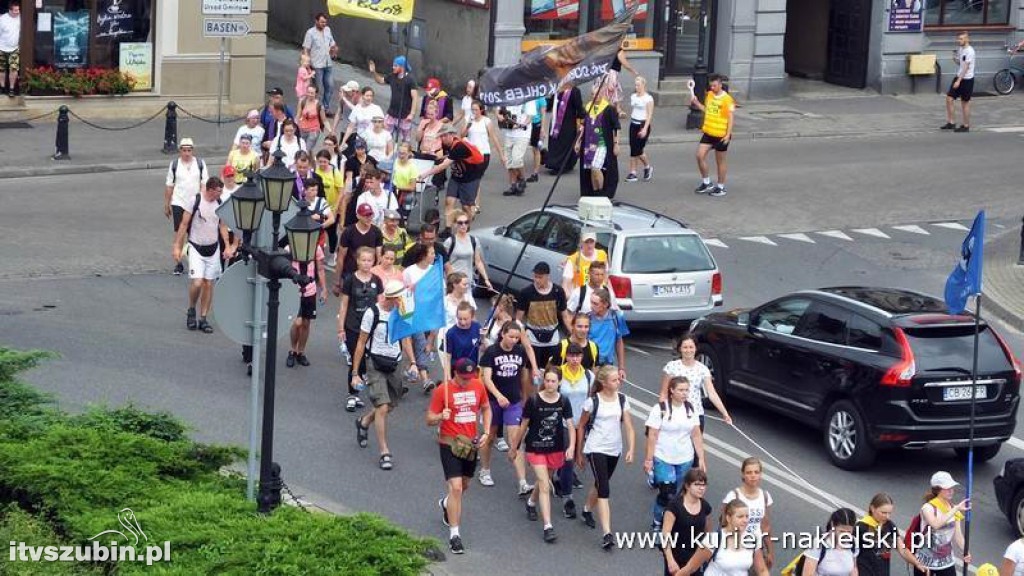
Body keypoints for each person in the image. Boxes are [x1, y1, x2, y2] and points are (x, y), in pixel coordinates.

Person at [427, 357, 492, 555]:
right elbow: (429, 418)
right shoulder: (442, 391)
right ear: (455, 373)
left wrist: (487, 432)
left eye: (469, 377)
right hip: (449, 443)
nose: (466, 381)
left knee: (464, 486)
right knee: (455, 487)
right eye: (463, 378)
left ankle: (447, 504)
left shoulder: (478, 386)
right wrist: (440, 417)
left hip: (470, 444)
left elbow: (486, 408)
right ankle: (455, 535)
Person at [352, 280, 418, 471]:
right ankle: (384, 451)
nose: (402, 299)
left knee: (390, 405)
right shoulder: (372, 313)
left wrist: (413, 363)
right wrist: (355, 373)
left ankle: (364, 421)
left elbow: (405, 339)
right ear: (392, 297)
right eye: (399, 297)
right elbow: (361, 342)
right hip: (375, 363)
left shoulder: (402, 312)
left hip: (394, 364)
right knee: (382, 407)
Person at [508, 366, 576, 543]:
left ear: (559, 382)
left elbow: (570, 425)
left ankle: (531, 502)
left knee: (544, 480)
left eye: (553, 381)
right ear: (543, 381)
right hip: (535, 447)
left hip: (555, 448)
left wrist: (572, 446)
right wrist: (514, 447)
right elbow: (523, 425)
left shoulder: (564, 401)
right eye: (547, 380)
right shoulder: (534, 400)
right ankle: (548, 526)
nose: (550, 384)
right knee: (545, 484)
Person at [575, 365, 635, 549]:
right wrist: (579, 451)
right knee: (604, 489)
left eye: (618, 378)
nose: (619, 382)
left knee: (600, 483)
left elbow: (630, 427)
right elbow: (581, 426)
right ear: (603, 382)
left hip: (614, 449)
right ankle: (607, 533)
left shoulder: (622, 400)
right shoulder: (593, 402)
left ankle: (586, 509)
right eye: (615, 379)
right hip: (596, 448)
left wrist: (631, 448)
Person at [171, 177, 236, 333]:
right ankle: (192, 308)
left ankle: (203, 318)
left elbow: (222, 226)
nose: (220, 194)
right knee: (198, 282)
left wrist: (227, 245)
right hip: (195, 246)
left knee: (208, 283)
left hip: (212, 248)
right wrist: (177, 247)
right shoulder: (196, 200)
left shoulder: (219, 203)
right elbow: (184, 224)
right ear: (211, 189)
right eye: (219, 191)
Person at [478, 320, 535, 496]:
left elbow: (524, 375)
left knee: (515, 439)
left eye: (517, 338)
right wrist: (498, 395)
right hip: (493, 402)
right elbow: (486, 378)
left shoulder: (520, 351)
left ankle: (522, 482)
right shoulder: (491, 352)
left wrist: (525, 397)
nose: (514, 340)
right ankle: (485, 470)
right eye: (511, 336)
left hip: (513, 401)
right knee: (490, 436)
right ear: (502, 334)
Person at [646, 376, 705, 530]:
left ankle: (671, 521)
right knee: (667, 493)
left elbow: (696, 435)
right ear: (671, 390)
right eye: (681, 390)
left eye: (687, 390)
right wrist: (648, 459)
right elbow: (652, 435)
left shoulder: (691, 409)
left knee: (679, 494)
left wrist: (701, 460)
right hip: (663, 456)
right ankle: (658, 521)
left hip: (685, 458)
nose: (684, 393)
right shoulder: (660, 409)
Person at [338, 247, 384, 412]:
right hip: (353, 326)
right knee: (355, 358)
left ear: (373, 261)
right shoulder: (350, 280)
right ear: (357, 261)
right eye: (363, 260)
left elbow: (380, 304)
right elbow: (344, 305)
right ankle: (352, 394)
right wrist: (340, 328)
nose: (366, 263)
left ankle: (358, 387)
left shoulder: (377, 280)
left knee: (366, 359)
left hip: (371, 327)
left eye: (369, 260)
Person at [676, 498, 770, 576]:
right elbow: (690, 568)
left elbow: (762, 570)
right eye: (740, 517)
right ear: (729, 518)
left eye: (747, 516)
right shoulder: (713, 540)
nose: (745, 520)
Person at [417, 125, 487, 228]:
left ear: (452, 135)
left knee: (466, 207)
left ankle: (466, 227)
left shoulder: (459, 147)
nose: (443, 138)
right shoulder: (446, 145)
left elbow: (444, 165)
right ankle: (448, 228)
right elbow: (446, 156)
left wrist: (425, 174)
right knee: (449, 201)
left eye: (445, 136)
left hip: (470, 178)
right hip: (456, 177)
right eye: (441, 136)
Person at [659, 333, 731, 430]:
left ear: (696, 348)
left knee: (696, 444)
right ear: (680, 349)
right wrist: (663, 411)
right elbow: (663, 393)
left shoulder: (703, 369)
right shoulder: (671, 367)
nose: (688, 350)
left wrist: (724, 413)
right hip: (675, 414)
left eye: (691, 347)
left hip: (696, 416)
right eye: (685, 347)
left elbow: (712, 394)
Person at [555, 342, 592, 515]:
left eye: (578, 356)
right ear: (566, 356)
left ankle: (559, 478)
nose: (574, 359)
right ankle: (567, 499)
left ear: (582, 357)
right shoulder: (558, 373)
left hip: (581, 423)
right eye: (571, 355)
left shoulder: (589, 376)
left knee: (571, 458)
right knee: (569, 460)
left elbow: (591, 400)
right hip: (562, 423)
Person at [164, 138, 209, 275]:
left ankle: (194, 260)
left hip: (194, 203)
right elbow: (169, 185)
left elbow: (204, 183)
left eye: (189, 150)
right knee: (179, 232)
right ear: (180, 151)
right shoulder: (175, 164)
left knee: (193, 232)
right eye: (184, 150)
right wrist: (167, 203)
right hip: (179, 202)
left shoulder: (200, 164)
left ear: (192, 151)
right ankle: (178, 262)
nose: (187, 153)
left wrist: (202, 202)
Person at [912, 471, 971, 576]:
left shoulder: (952, 508)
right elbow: (935, 524)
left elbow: (958, 536)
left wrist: (965, 550)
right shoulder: (928, 507)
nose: (951, 491)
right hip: (925, 564)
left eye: (952, 487)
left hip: (946, 563)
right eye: (947, 488)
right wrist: (956, 508)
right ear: (938, 489)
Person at [855, 493, 928, 576]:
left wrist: (917, 563)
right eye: (883, 513)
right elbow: (850, 553)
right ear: (872, 508)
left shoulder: (889, 525)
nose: (887, 517)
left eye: (889, 513)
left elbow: (903, 550)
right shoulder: (861, 527)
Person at [722, 457, 774, 571]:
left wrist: (770, 551)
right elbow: (723, 523)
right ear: (743, 475)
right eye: (749, 472)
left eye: (756, 472)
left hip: (756, 550)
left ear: (760, 475)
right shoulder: (733, 496)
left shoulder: (765, 496)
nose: (753, 476)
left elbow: (765, 526)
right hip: (735, 548)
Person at [516, 261, 570, 372]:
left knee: (551, 369)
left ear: (548, 276)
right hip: (533, 335)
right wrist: (519, 336)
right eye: (535, 277)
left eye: (540, 277)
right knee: (530, 368)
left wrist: (572, 333)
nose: (536, 280)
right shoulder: (526, 292)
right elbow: (518, 319)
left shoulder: (558, 291)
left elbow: (565, 315)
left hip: (553, 336)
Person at [403, 243, 441, 391]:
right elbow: (405, 292)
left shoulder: (435, 271)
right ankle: (425, 378)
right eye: (431, 253)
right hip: (414, 312)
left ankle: (410, 369)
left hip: (430, 313)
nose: (434, 256)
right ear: (424, 255)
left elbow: (439, 293)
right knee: (420, 342)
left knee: (423, 344)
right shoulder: (409, 271)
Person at [690, 73, 735, 198]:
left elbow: (731, 118)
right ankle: (707, 182)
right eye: (711, 86)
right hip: (709, 132)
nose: (712, 88)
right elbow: (707, 110)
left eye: (715, 86)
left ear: (720, 85)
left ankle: (721, 187)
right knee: (699, 156)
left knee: (720, 161)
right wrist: (697, 103)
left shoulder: (727, 99)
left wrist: (727, 135)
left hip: (721, 135)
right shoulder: (709, 95)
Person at [285, 234, 326, 369]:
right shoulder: (290, 248)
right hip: (294, 289)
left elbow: (320, 269)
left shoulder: (316, 248)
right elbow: (285, 270)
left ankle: (300, 352)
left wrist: (324, 289)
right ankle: (292, 349)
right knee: (297, 322)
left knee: (306, 323)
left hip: (310, 289)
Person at [662, 469, 713, 576]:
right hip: (676, 557)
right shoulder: (674, 506)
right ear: (687, 486)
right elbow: (665, 535)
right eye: (697, 485)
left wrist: (707, 556)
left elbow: (708, 534)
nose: (701, 488)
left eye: (704, 485)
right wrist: (670, 560)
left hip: (695, 558)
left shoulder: (705, 507)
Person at [578, 80, 620, 199]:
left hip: (602, 143)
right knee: (591, 169)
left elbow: (616, 127)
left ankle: (602, 192)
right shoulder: (587, 108)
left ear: (601, 94)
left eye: (596, 94)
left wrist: (616, 143)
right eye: (592, 94)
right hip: (588, 144)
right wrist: (578, 141)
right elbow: (583, 126)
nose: (594, 96)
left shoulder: (608, 109)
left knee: (596, 167)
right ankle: (594, 192)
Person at [461, 99, 504, 214]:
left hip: (483, 154)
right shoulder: (469, 120)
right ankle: (473, 202)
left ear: (481, 110)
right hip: (471, 154)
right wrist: (468, 126)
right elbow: (462, 135)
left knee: (476, 178)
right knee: (473, 178)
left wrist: (501, 154)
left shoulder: (487, 121)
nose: (474, 112)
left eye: (476, 109)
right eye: (472, 109)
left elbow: (494, 137)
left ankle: (475, 203)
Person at [368, 56, 419, 142]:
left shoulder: (410, 80)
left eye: (395, 66)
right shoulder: (392, 76)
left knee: (405, 140)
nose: (393, 67)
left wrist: (412, 114)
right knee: (385, 136)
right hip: (392, 113)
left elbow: (415, 98)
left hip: (405, 115)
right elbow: (380, 81)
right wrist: (374, 72)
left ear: (402, 67)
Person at [799, 508, 860, 576]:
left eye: (849, 532)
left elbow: (854, 569)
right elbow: (807, 574)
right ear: (833, 525)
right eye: (841, 531)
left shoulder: (854, 543)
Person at [443, 209, 493, 292]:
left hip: (467, 282)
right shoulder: (450, 242)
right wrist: (450, 278)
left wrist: (486, 279)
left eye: (466, 222)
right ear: (455, 224)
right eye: (460, 223)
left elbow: (478, 262)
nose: (464, 225)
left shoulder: (474, 240)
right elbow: (444, 262)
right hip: (453, 283)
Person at [497, 100, 537, 196]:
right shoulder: (508, 95)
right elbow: (498, 109)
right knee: (509, 162)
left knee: (517, 159)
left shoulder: (528, 99)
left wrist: (521, 125)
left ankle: (522, 179)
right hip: (509, 134)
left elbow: (530, 116)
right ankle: (513, 185)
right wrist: (498, 115)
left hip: (522, 134)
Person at [302, 13, 338, 115]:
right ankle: (314, 110)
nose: (324, 24)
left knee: (330, 87)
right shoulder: (310, 33)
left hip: (327, 63)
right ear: (316, 21)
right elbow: (306, 49)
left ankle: (325, 109)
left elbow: (332, 43)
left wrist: (334, 48)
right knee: (317, 89)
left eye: (325, 22)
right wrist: (306, 64)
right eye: (322, 22)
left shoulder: (328, 30)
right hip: (316, 65)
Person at [587, 288, 628, 375]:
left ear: (605, 304)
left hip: (608, 365)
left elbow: (619, 342)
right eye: (591, 302)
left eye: (595, 304)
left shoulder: (617, 317)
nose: (591, 306)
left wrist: (621, 368)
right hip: (591, 365)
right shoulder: (587, 319)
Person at [315, 150, 345, 267]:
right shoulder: (315, 171)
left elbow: (341, 191)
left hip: (331, 207)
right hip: (318, 207)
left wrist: (336, 208)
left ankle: (332, 253)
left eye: (325, 162)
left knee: (332, 233)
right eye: (320, 161)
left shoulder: (334, 172)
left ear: (329, 161)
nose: (322, 164)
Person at [545, 86, 584, 174]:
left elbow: (579, 106)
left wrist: (583, 116)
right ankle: (555, 164)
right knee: (555, 142)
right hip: (555, 122)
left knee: (566, 143)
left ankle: (562, 165)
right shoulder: (556, 88)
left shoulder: (574, 91)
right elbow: (550, 104)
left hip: (568, 122)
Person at [942, 31, 974, 133]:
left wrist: (958, 81)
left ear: (967, 39)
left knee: (965, 102)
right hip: (959, 76)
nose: (958, 41)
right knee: (949, 98)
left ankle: (966, 125)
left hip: (967, 79)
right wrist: (954, 59)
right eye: (958, 39)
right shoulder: (961, 49)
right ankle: (951, 122)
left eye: (961, 39)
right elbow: (961, 64)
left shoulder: (970, 51)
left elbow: (966, 67)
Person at [342, 137, 379, 225]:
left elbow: (376, 174)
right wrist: (348, 189)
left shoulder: (371, 159)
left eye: (362, 148)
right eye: (357, 148)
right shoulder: (351, 160)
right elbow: (349, 177)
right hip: (357, 188)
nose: (360, 151)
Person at [442, 302, 483, 378]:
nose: (462, 322)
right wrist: (448, 378)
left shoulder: (477, 327)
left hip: (472, 369)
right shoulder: (451, 333)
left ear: (472, 316)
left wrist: (483, 337)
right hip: (457, 371)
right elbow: (447, 358)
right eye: (459, 318)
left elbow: (482, 348)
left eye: (465, 319)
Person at [626, 76, 655, 183]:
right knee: (633, 148)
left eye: (638, 84)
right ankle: (635, 171)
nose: (636, 87)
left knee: (638, 149)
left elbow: (649, 115)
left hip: (642, 124)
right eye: (635, 84)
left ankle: (643, 168)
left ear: (643, 85)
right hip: (633, 123)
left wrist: (645, 129)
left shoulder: (648, 98)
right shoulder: (633, 96)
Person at [297, 84, 328, 152]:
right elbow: (298, 116)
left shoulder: (319, 105)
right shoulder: (302, 102)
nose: (309, 94)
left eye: (312, 93)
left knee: (307, 150)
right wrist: (294, 126)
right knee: (300, 149)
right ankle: (310, 161)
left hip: (313, 131)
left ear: (316, 94)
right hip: (302, 129)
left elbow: (324, 120)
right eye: (308, 92)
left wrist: (331, 131)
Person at [0, 2, 20, 97]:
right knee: (1, 69)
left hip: (14, 48)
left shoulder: (21, 18)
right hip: (1, 47)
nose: (17, 12)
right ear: (10, 10)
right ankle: (2, 88)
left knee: (14, 68)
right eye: (15, 10)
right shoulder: (2, 19)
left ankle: (11, 88)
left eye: (18, 10)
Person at [526, 96, 548, 183]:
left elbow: (543, 114)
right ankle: (544, 152)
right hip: (526, 124)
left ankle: (535, 173)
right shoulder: (527, 96)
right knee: (532, 147)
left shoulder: (540, 97)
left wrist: (542, 128)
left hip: (536, 124)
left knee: (535, 149)